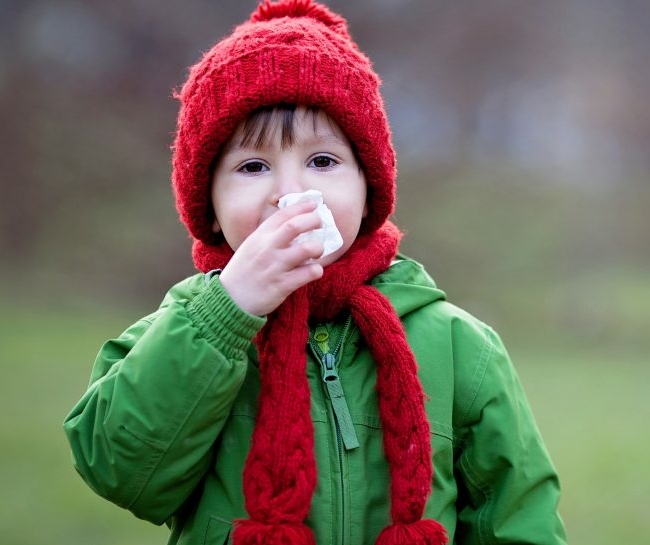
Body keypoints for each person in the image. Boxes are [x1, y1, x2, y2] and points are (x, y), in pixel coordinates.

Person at [63, 1, 567, 544]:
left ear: (368, 185)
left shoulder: (457, 344)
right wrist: (228, 312)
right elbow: (118, 470)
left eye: (322, 161)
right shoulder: (187, 329)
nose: (290, 193)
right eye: (253, 167)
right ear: (207, 206)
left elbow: (518, 517)